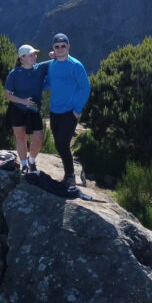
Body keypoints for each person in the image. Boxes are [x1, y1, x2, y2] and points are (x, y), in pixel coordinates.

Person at [46, 33, 90, 188]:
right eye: (57, 47)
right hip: (54, 111)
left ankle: (70, 176)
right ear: (53, 48)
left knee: (62, 143)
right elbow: (49, 83)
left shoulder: (76, 65)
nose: (60, 49)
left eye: (63, 46)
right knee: (59, 145)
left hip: (69, 112)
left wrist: (77, 110)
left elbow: (86, 88)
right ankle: (68, 174)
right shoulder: (52, 64)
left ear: (68, 46)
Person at [3, 44, 48, 173]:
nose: (35, 56)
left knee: (38, 137)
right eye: (31, 54)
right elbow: (7, 94)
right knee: (21, 138)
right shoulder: (14, 73)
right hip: (17, 109)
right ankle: (24, 164)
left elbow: (57, 59)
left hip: (33, 109)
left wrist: (53, 55)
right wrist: (23, 101)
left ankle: (32, 161)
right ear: (22, 58)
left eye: (35, 54)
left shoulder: (40, 68)